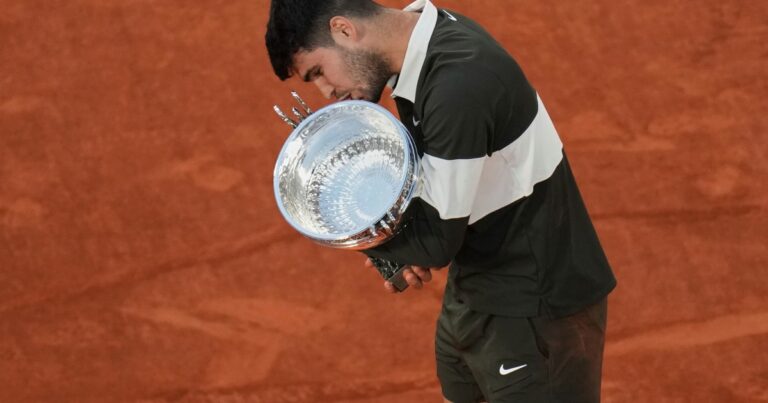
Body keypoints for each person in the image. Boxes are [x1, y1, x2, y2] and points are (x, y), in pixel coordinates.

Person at [265, 1, 617, 402]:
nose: (327, 93)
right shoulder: (424, 38)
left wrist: (349, 221)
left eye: (318, 72)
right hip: (474, 289)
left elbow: (434, 243)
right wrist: (399, 246)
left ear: (344, 30)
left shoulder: (457, 84)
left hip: (537, 310)